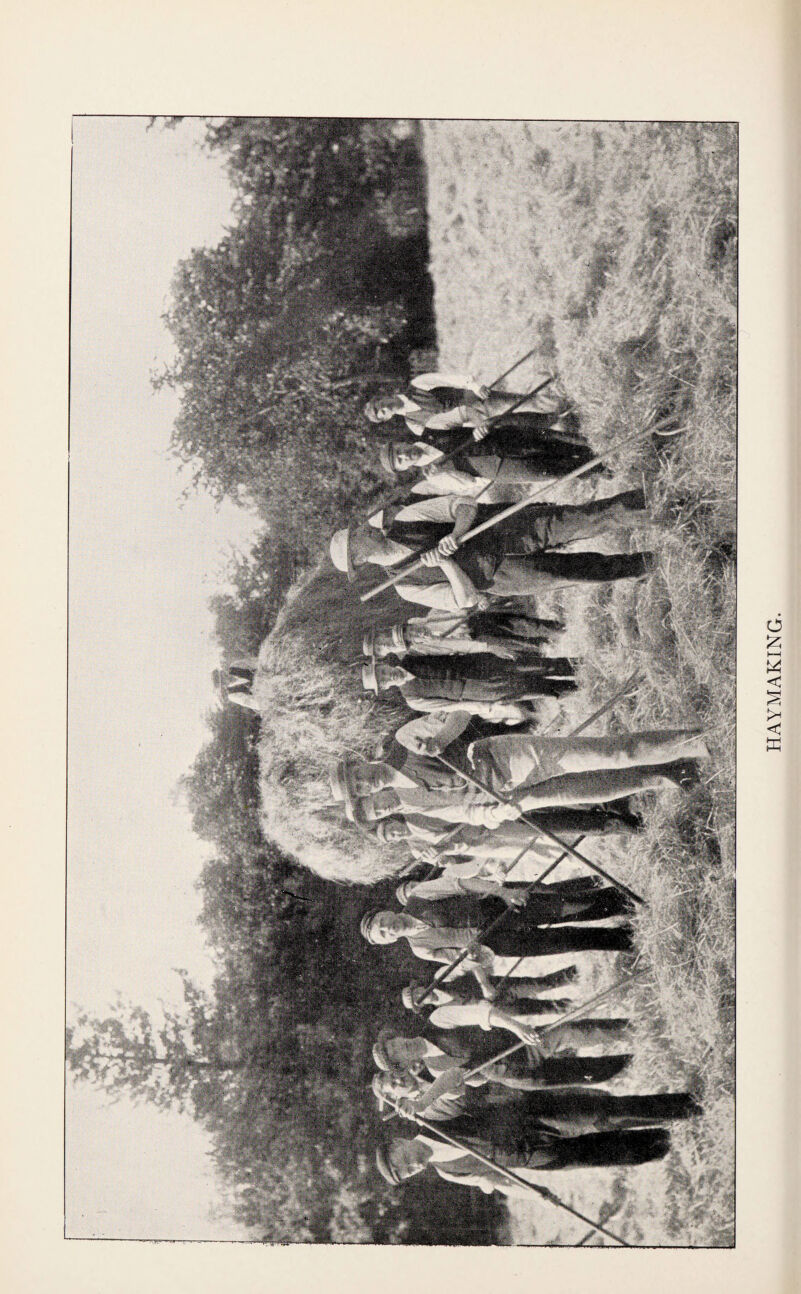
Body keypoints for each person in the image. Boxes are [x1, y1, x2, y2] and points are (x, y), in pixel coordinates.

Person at [329, 491, 654, 612]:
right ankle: (650, 563)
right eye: (358, 537)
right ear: (358, 559)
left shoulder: (406, 519)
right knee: (579, 571)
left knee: (583, 520)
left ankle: (656, 507)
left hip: (504, 528)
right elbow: (466, 601)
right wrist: (446, 565)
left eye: (358, 528)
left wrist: (456, 534)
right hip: (505, 576)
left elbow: (463, 503)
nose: (365, 528)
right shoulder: (404, 586)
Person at [359, 907, 636, 994]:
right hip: (495, 944)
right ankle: (626, 938)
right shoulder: (420, 949)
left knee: (561, 909)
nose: (388, 929)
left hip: (493, 910)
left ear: (386, 912)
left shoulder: (419, 899)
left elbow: (459, 885)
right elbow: (460, 959)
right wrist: (476, 970)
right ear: (387, 942)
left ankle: (621, 904)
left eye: (382, 923)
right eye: (383, 934)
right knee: (561, 941)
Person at [375, 1125, 673, 1188]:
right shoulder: (446, 1172)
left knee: (594, 1124)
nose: (414, 1166)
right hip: (533, 1160)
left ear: (399, 1142)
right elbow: (493, 1180)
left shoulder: (432, 1122)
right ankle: (660, 1148)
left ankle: (660, 1128)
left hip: (530, 1127)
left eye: (404, 1161)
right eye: (409, 1172)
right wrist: (535, 1192)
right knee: (594, 1155)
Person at [372, 1024, 632, 1092]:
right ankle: (629, 1063)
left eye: (393, 1044)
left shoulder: (436, 1023)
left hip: (517, 1043)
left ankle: (631, 1029)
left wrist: (517, 1028)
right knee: (582, 1073)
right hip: (514, 1075)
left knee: (572, 1032)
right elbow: (476, 1083)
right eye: (396, 1055)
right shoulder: (436, 1070)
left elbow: (482, 1013)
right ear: (404, 1066)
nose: (400, 1047)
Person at [361, 652, 576, 712]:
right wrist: (486, 705)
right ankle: (581, 687)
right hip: (481, 691)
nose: (389, 678)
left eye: (384, 672)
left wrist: (487, 650)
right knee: (541, 688)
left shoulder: (412, 655)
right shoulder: (412, 698)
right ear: (386, 688)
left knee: (542, 665)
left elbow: (447, 649)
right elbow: (453, 706)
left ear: (385, 665)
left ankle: (585, 664)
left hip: (480, 664)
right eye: (384, 682)